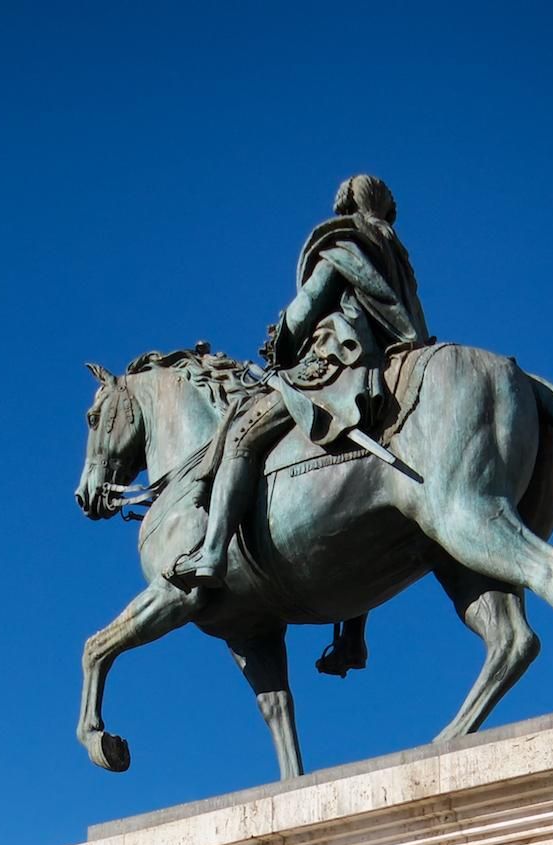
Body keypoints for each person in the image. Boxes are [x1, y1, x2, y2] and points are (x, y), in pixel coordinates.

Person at [168, 175, 429, 591]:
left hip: (336, 361)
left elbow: (308, 305)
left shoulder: (344, 245)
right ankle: (351, 631)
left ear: (348, 207)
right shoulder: (396, 255)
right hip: (385, 362)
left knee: (240, 436)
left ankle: (213, 550)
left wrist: (281, 339)